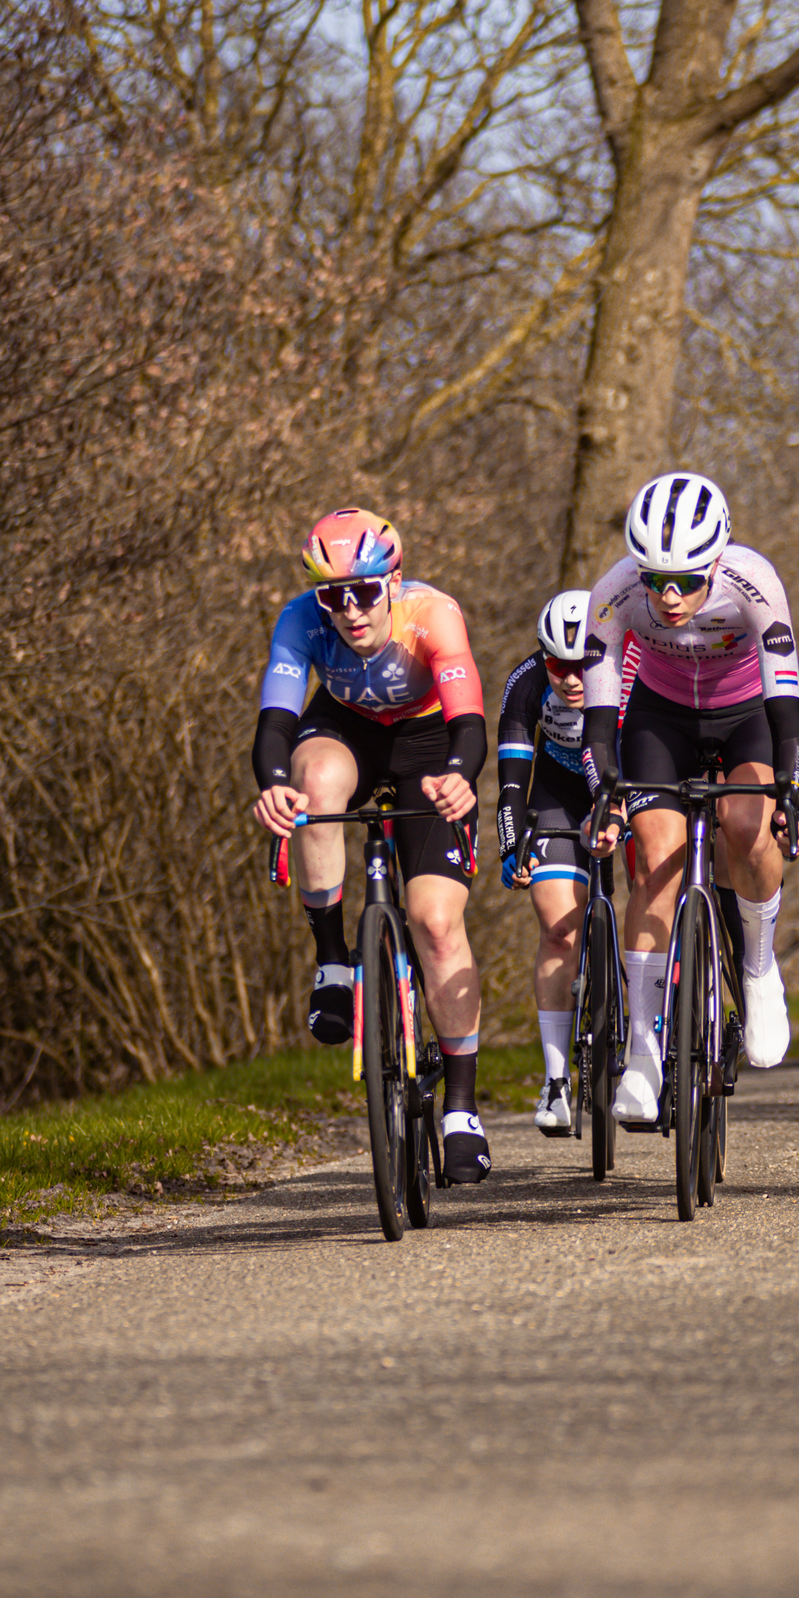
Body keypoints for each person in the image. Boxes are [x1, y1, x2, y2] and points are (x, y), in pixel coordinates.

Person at [251, 506, 492, 1183]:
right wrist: (274, 785)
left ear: (393, 581)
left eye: (363, 592)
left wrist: (460, 777)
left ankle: (462, 1110)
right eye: (334, 596)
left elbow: (469, 719)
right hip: (347, 729)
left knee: (437, 923)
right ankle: (332, 961)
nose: (350, 611)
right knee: (315, 783)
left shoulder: (433, 615)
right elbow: (275, 722)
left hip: (428, 743)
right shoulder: (301, 621)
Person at [582, 472, 799, 1126]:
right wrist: (606, 795)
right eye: (657, 580)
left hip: (747, 714)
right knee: (657, 857)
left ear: (717, 561)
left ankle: (760, 972)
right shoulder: (614, 594)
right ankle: (645, 1051)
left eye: (686, 580)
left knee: (748, 824)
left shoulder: (755, 583)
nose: (671, 595)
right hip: (661, 717)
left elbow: (787, 709)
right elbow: (601, 719)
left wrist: (788, 794)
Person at [495, 589, 603, 1135]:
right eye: (560, 663)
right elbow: (514, 776)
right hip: (557, 794)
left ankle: (662, 1044)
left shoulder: (629, 667)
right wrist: (511, 843)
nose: (572, 676)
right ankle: (557, 1079)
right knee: (559, 925)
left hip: (623, 778)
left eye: (583, 662)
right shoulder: (527, 683)